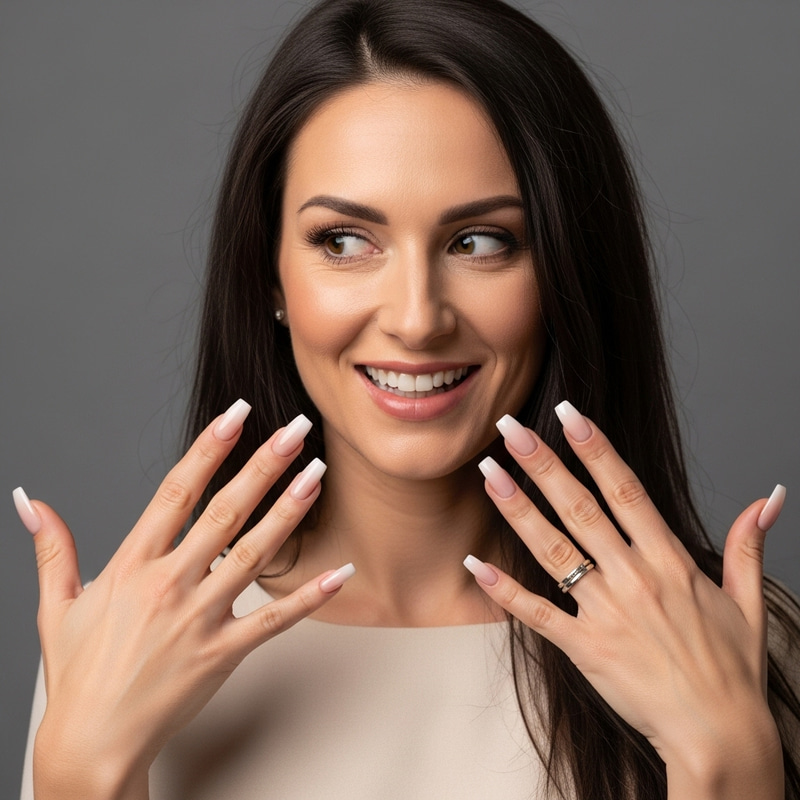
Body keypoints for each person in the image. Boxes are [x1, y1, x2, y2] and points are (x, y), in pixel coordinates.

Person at [16, 0, 800, 797]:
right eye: (345, 242)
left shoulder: (723, 641)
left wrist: (729, 756)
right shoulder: (121, 648)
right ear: (269, 277)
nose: (417, 320)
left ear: (566, 270)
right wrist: (81, 768)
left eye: (481, 241)